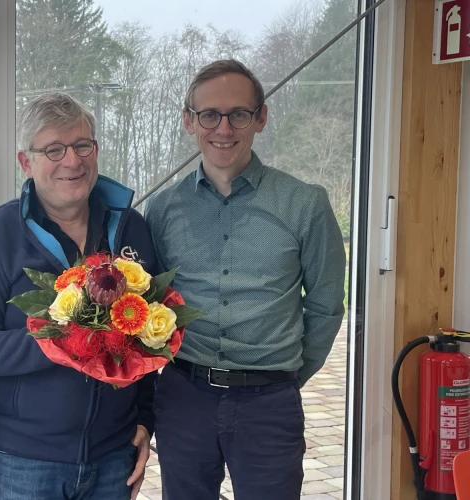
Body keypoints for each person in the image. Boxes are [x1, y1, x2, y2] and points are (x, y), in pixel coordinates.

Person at [145, 59, 346, 500]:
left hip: (269, 405)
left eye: (238, 114)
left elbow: (327, 305)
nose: (223, 128)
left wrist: (285, 378)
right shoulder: (161, 210)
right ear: (189, 121)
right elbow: (149, 303)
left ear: (261, 117)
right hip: (183, 397)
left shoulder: (305, 204)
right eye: (209, 115)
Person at [0, 92, 157, 500]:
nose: (72, 161)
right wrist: (59, 338)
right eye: (53, 149)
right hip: (23, 464)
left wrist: (145, 421)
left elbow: (151, 336)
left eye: (82, 146)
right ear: (25, 162)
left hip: (113, 457)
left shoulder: (131, 228)